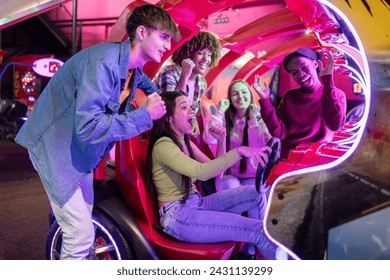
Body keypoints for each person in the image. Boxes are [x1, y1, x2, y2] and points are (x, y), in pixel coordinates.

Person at [15, 4, 180, 260]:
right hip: (55, 149)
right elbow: (89, 127)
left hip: (80, 153)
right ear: (142, 32)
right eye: (164, 37)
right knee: (78, 234)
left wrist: (163, 100)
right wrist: (145, 115)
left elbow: (145, 84)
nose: (167, 46)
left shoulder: (132, 68)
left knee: (86, 228)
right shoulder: (102, 63)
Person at [145, 91, 292, 260]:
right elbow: (202, 172)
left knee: (256, 194)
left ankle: (255, 251)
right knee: (259, 230)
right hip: (178, 217)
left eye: (191, 107)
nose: (192, 111)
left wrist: (222, 140)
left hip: (196, 203)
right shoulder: (163, 145)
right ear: (169, 118)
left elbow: (217, 173)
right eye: (184, 108)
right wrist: (239, 151)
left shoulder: (185, 142)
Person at [254, 47, 346, 159]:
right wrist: (265, 100)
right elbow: (279, 133)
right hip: (289, 159)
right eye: (294, 72)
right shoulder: (290, 97)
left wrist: (327, 81)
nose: (301, 74)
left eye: (304, 67)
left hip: (317, 159)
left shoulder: (336, 94)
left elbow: (334, 124)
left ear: (315, 64)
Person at [203, 80, 271, 193]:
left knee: (254, 208)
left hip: (253, 176)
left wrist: (253, 119)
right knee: (232, 189)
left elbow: (258, 148)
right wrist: (219, 112)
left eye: (244, 92)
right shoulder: (224, 118)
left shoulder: (259, 118)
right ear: (229, 99)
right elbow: (208, 139)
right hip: (229, 175)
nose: (240, 96)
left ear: (250, 95)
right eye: (235, 94)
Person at [154, 30, 221, 136]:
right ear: (188, 53)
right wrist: (184, 77)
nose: (206, 59)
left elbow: (190, 112)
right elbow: (170, 109)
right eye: (200, 53)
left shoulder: (202, 83)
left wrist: (192, 121)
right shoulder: (170, 72)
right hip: (164, 133)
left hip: (182, 135)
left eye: (209, 55)